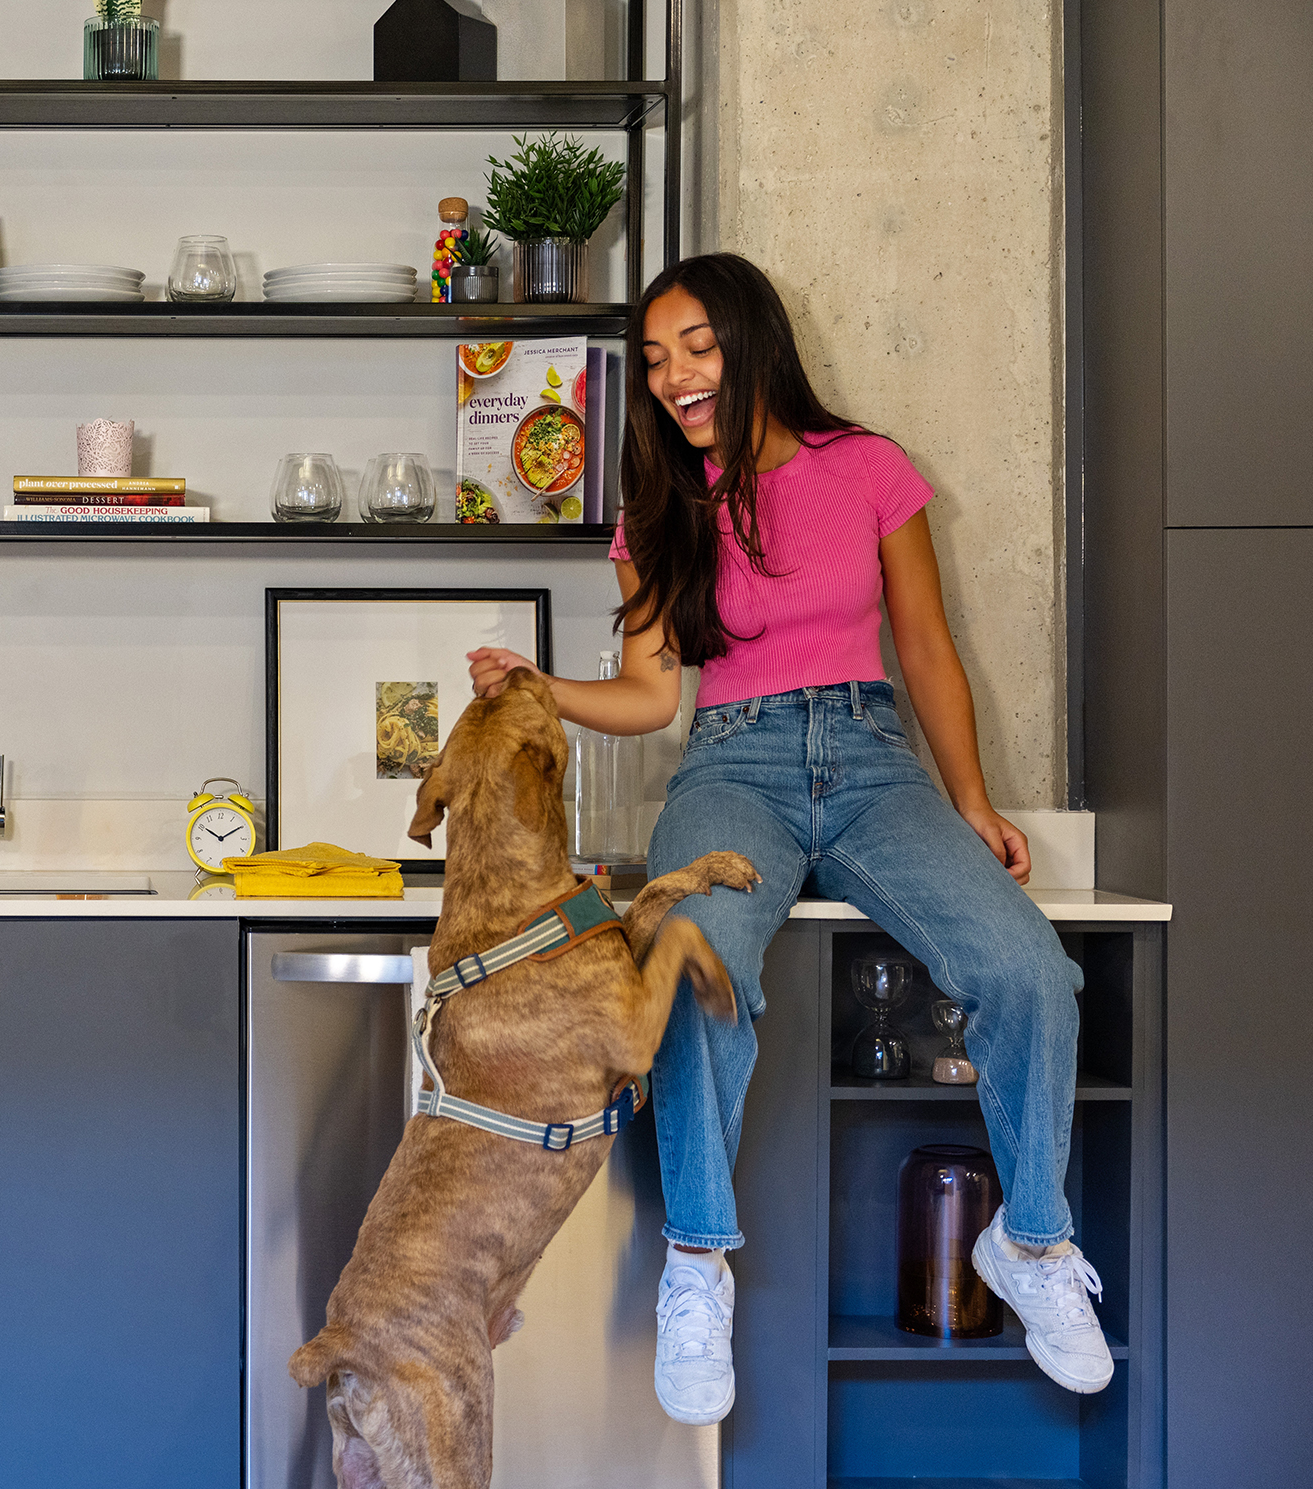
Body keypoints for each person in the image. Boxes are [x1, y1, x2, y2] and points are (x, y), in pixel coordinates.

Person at [462, 253, 1107, 1424]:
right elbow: (652, 695)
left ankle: (1032, 1243)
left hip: (874, 763)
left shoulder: (867, 468)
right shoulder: (661, 507)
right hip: (732, 765)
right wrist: (540, 685)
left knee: (1030, 971)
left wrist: (968, 798)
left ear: (753, 338)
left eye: (695, 345)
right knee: (693, 959)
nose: (674, 378)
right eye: (655, 361)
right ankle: (697, 1263)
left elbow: (924, 646)